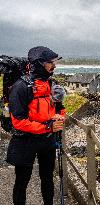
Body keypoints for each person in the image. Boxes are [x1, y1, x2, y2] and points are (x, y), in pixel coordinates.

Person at [6, 46, 65, 205]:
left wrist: (60, 117)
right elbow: (18, 121)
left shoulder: (51, 83)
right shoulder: (20, 87)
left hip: (47, 140)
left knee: (47, 179)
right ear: (40, 64)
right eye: (51, 62)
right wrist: (48, 127)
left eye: (54, 62)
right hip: (25, 141)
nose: (54, 65)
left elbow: (60, 107)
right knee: (22, 182)